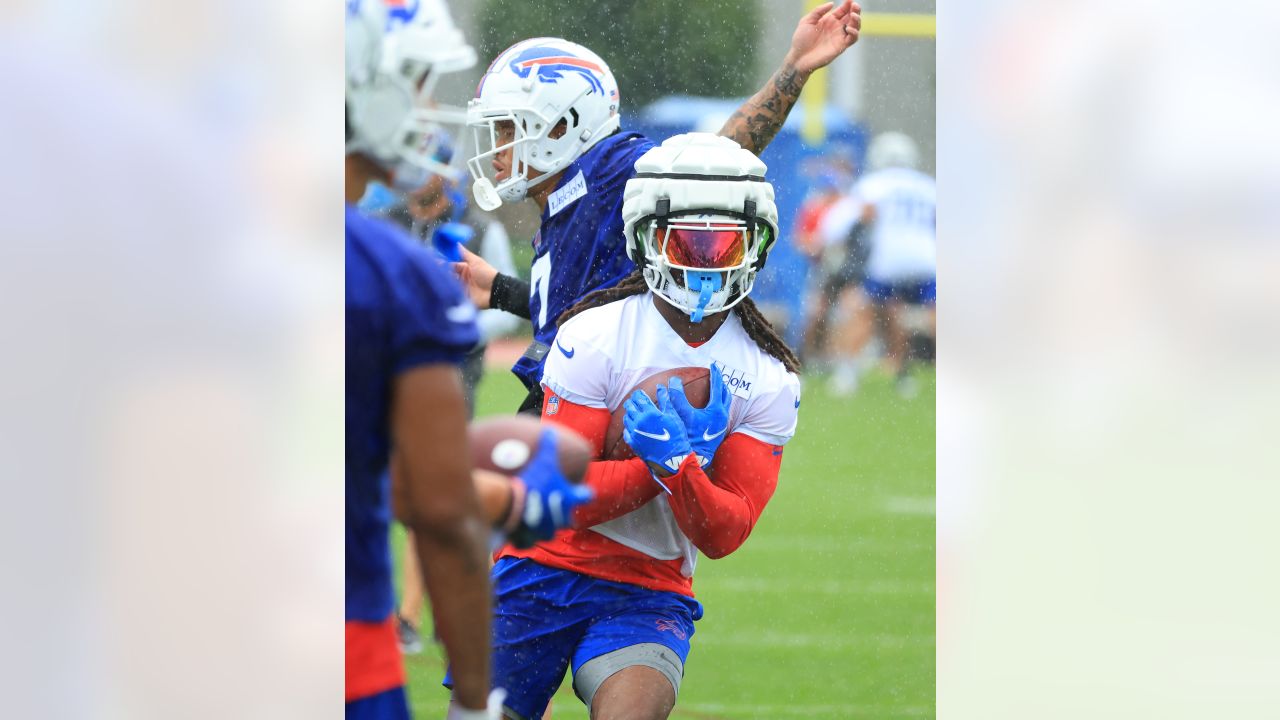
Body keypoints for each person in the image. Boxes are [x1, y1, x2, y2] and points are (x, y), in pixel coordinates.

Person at [468, 133, 802, 720]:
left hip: (647, 585)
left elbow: (724, 535)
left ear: (759, 246)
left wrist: (677, 463)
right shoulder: (595, 333)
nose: (706, 261)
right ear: (646, 237)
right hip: (542, 564)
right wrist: (661, 468)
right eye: (689, 243)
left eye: (726, 244)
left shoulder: (768, 375)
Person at [345, 2, 588, 718]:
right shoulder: (388, 272)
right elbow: (436, 505)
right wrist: (477, 700)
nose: (425, 108)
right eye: (415, 83)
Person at [454, 1, 862, 414]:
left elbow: (711, 163)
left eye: (509, 127)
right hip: (576, 397)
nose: (497, 149)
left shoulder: (607, 170)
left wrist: (795, 68)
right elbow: (584, 305)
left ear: (562, 126)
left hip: (609, 409)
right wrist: (500, 291)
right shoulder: (564, 199)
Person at [819, 131, 936, 397]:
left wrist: (828, 240)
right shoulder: (928, 186)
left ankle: (847, 376)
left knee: (865, 313)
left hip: (887, 261)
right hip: (927, 259)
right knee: (933, 315)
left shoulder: (873, 185)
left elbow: (836, 224)